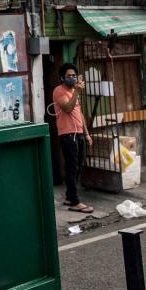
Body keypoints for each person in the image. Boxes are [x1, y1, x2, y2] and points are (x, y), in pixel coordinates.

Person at [53, 63, 94, 214]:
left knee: (80, 165)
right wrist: (76, 90)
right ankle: (75, 202)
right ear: (62, 77)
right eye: (69, 76)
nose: (72, 78)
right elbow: (68, 108)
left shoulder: (73, 91)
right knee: (72, 167)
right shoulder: (59, 91)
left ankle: (70, 196)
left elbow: (79, 113)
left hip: (80, 133)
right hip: (68, 134)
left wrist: (87, 133)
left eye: (74, 76)